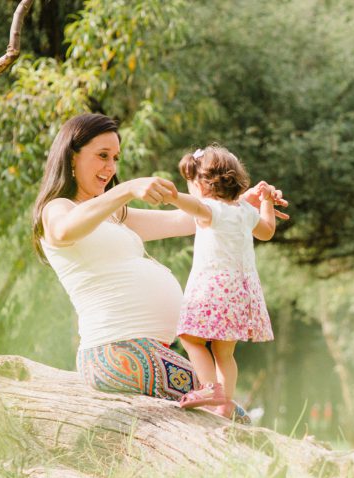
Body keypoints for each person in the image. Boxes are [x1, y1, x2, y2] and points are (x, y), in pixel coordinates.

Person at [31, 113, 287, 421]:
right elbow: (62, 231)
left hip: (149, 349)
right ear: (72, 155)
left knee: (227, 410)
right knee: (228, 413)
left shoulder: (116, 215)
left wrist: (238, 205)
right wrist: (127, 189)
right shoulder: (59, 208)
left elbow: (193, 220)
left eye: (115, 158)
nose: (110, 168)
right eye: (102, 156)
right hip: (115, 353)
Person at [168, 145, 277, 419]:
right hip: (241, 292)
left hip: (214, 288)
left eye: (191, 183)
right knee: (224, 353)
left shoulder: (209, 209)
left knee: (190, 338)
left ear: (204, 185)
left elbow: (190, 204)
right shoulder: (244, 211)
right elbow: (267, 231)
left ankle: (209, 389)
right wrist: (266, 201)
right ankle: (224, 403)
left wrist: (170, 195)